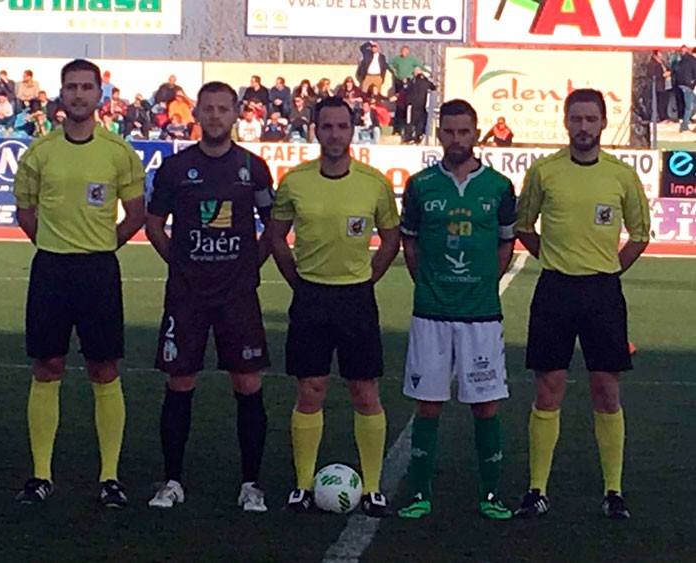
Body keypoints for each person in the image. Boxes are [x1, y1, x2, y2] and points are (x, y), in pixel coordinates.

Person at [12, 58, 146, 508]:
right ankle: (40, 475)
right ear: (61, 94)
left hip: (98, 272)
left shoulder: (118, 151)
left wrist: (103, 247)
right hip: (51, 270)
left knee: (103, 370)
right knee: (46, 368)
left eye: (87, 87)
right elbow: (26, 214)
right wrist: (54, 244)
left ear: (99, 95)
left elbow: (136, 214)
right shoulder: (39, 153)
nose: (79, 94)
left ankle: (109, 477)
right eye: (71, 87)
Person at [513, 89, 651, 520]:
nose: (583, 127)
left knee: (606, 389)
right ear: (566, 122)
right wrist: (555, 260)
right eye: (576, 119)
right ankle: (537, 489)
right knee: (548, 388)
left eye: (591, 119)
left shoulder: (621, 175)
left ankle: (613, 491)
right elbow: (524, 226)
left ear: (603, 123)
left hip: (602, 293)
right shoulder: (544, 171)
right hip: (555, 290)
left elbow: (640, 235)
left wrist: (607, 269)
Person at [146, 82, 275, 512]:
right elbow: (154, 225)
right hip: (187, 295)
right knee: (180, 381)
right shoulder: (175, 169)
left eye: (224, 108)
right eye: (209, 109)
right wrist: (181, 263)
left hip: (238, 295)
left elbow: (272, 228)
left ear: (237, 114)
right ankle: (172, 481)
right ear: (196, 114)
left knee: (247, 382)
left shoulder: (253, 168)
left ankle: (251, 484)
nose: (216, 115)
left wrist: (247, 268)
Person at [271, 97, 401, 517]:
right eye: (325, 126)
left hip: (356, 298)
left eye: (341, 126)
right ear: (315, 130)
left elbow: (391, 238)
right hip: (311, 297)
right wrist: (297, 282)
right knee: (311, 390)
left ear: (352, 130)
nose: (334, 134)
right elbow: (276, 237)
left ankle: (374, 487)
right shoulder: (295, 181)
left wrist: (367, 277)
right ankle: (304, 485)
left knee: (365, 391)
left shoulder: (374, 182)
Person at [397, 99, 516, 521]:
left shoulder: (499, 187)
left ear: (476, 132)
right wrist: (426, 282)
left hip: (481, 314)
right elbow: (409, 242)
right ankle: (419, 494)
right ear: (439, 133)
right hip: (430, 312)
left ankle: (490, 495)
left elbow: (506, 243)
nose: (456, 139)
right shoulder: (420, 185)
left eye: (464, 131)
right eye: (448, 131)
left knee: (485, 404)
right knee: (428, 404)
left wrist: (486, 281)